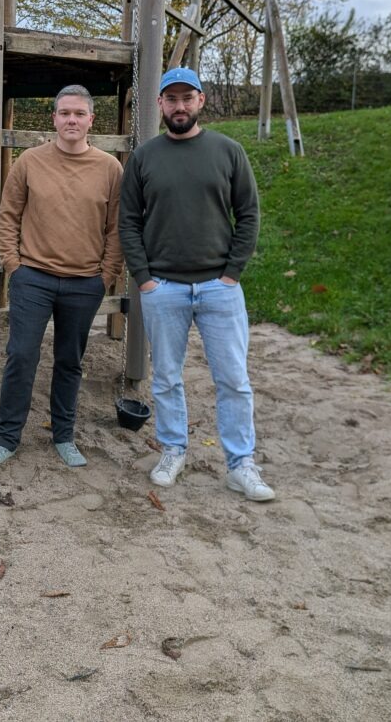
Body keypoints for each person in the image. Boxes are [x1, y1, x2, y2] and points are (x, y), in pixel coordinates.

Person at [118, 67, 274, 501]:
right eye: (172, 99)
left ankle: (240, 464)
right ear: (160, 105)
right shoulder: (145, 158)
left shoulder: (228, 152)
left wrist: (232, 271)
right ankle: (173, 449)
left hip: (219, 287)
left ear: (201, 101)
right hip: (162, 287)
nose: (180, 106)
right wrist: (144, 279)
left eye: (188, 98)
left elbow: (249, 214)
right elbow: (128, 222)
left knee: (234, 379)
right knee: (166, 377)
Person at [0, 84, 123, 474]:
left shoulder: (110, 169)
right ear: (53, 118)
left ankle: (63, 435)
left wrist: (106, 276)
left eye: (79, 114)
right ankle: (7, 438)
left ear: (92, 120)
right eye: (64, 113)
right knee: (21, 355)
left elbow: (117, 229)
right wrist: (13, 265)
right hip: (33, 278)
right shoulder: (29, 162)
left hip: (84, 282)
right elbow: (8, 216)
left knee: (69, 361)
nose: (71, 120)